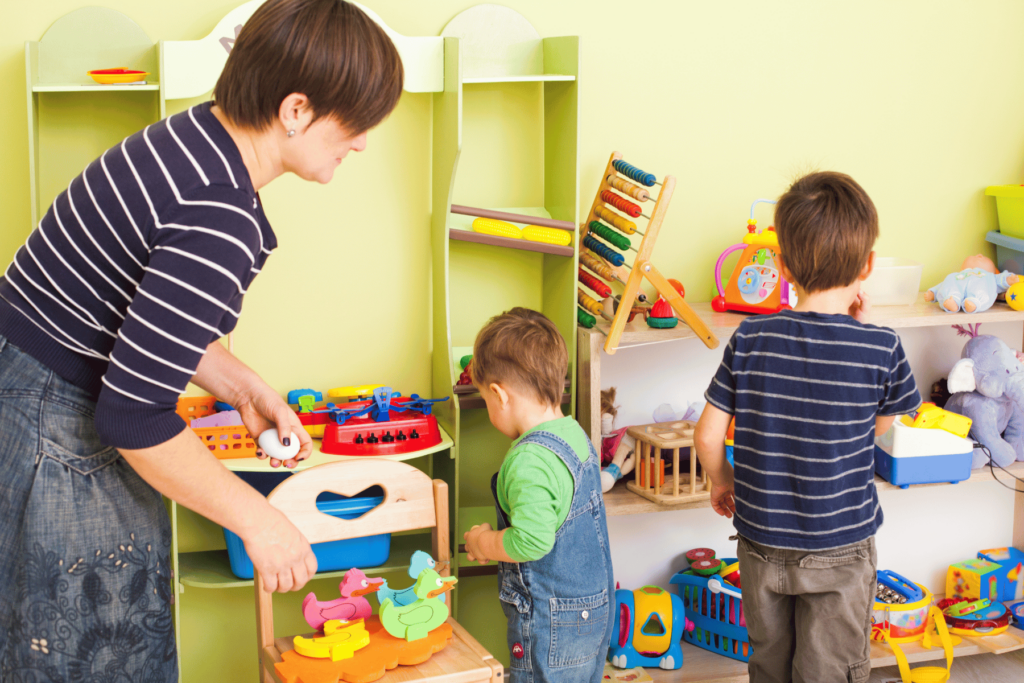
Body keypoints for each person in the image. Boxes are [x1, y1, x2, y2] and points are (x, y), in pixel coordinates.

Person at [0, 1, 403, 680]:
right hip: (57, 438)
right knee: (98, 656)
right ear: (297, 110)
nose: (362, 142)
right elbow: (133, 415)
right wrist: (262, 520)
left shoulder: (189, 140)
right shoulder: (217, 214)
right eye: (357, 121)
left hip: (26, 397)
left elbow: (129, 319)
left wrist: (244, 387)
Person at [694, 171, 922, 683]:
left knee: (769, 664)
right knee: (830, 670)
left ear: (781, 265)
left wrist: (721, 480)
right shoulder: (880, 346)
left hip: (760, 543)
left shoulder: (751, 335)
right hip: (840, 546)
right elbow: (882, 424)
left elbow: (708, 435)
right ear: (868, 266)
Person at [462, 308, 614, 683]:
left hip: (553, 621)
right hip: (594, 607)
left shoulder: (529, 460)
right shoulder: (572, 432)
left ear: (499, 395)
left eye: (484, 398)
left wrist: (484, 542)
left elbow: (531, 541)